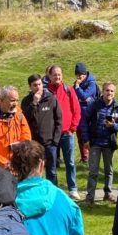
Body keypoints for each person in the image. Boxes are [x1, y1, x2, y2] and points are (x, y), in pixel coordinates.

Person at [85, 81, 118, 205]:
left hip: (109, 143)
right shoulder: (94, 105)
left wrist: (114, 125)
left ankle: (108, 193)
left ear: (114, 93)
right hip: (95, 143)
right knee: (93, 171)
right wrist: (86, 139)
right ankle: (90, 196)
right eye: (107, 90)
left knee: (109, 171)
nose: (109, 93)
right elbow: (84, 121)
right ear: (102, 91)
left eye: (111, 91)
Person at [46, 65, 81, 200]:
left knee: (70, 162)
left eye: (59, 74)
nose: (57, 77)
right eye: (55, 74)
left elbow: (76, 109)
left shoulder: (68, 90)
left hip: (67, 132)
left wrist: (73, 128)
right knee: (52, 163)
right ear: (49, 76)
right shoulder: (46, 91)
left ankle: (72, 189)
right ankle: (53, 189)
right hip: (51, 133)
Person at [21, 74, 62, 184]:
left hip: (49, 143)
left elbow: (59, 119)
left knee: (52, 171)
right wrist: (34, 103)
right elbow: (25, 119)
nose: (38, 87)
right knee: (34, 171)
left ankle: (53, 194)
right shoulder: (26, 101)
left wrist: (55, 141)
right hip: (34, 144)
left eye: (39, 84)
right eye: (35, 85)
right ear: (30, 87)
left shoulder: (51, 98)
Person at [0, 86, 32, 169]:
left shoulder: (19, 115)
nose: (15, 104)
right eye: (12, 100)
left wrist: (20, 159)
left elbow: (26, 137)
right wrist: (5, 164)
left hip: (17, 165)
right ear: (2, 100)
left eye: (17, 100)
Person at [73, 62, 98, 163]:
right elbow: (75, 97)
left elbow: (84, 96)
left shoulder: (91, 83)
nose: (79, 77)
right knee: (80, 136)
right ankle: (84, 158)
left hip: (88, 114)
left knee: (88, 136)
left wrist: (78, 88)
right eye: (77, 75)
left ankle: (92, 157)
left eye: (81, 75)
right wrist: (81, 97)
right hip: (78, 113)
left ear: (85, 74)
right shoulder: (76, 84)